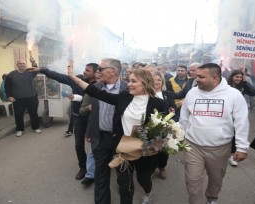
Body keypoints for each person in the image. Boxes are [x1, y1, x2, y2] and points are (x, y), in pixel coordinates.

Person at [69, 63, 166, 204]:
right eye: (129, 80)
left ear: (145, 84)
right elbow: (97, 93)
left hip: (145, 151)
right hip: (123, 148)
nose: (129, 84)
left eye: (133, 81)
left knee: (143, 179)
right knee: (124, 185)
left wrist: (152, 144)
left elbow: (162, 130)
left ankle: (147, 192)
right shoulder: (124, 97)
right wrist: (74, 77)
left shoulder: (159, 104)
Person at [180, 63, 250, 204]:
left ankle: (212, 198)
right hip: (193, 146)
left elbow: (241, 122)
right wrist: (179, 137)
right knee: (192, 180)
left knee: (216, 178)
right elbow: (184, 118)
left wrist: (242, 147)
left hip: (220, 148)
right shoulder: (192, 93)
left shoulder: (234, 95)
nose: (196, 78)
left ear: (215, 78)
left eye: (201, 76)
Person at [30, 63, 98, 181]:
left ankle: (97, 168)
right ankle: (83, 168)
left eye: (88, 70)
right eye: (85, 69)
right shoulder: (77, 79)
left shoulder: (99, 84)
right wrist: (42, 69)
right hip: (78, 117)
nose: (84, 71)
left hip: (94, 119)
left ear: (96, 72)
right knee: (78, 145)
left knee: (95, 146)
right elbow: (59, 76)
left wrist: (80, 98)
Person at [77, 58, 127, 204]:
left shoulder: (128, 89)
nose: (98, 72)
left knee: (123, 177)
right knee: (101, 176)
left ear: (113, 71)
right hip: (100, 138)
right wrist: (89, 133)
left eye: (101, 69)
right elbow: (87, 114)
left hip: (121, 140)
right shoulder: (95, 88)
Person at [226, 69, 255, 166]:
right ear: (232, 77)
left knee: (236, 132)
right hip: (227, 111)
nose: (238, 79)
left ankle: (232, 155)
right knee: (227, 131)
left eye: (240, 77)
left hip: (239, 112)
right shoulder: (226, 86)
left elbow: (253, 92)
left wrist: (244, 82)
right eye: (237, 77)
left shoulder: (243, 85)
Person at [5, 60, 41, 137]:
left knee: (33, 113)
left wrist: (33, 62)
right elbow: (7, 86)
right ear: (17, 65)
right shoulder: (11, 74)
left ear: (25, 65)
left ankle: (35, 127)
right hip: (18, 99)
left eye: (23, 63)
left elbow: (36, 68)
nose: (22, 65)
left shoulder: (30, 73)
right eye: (20, 63)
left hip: (31, 97)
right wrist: (9, 96)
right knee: (18, 114)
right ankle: (19, 129)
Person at [153, 71, 176, 179]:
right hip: (151, 126)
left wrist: (172, 111)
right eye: (154, 79)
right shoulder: (145, 93)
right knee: (151, 147)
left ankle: (162, 167)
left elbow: (172, 108)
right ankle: (151, 167)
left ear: (162, 82)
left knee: (164, 149)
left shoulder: (168, 94)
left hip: (165, 126)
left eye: (159, 79)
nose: (157, 82)